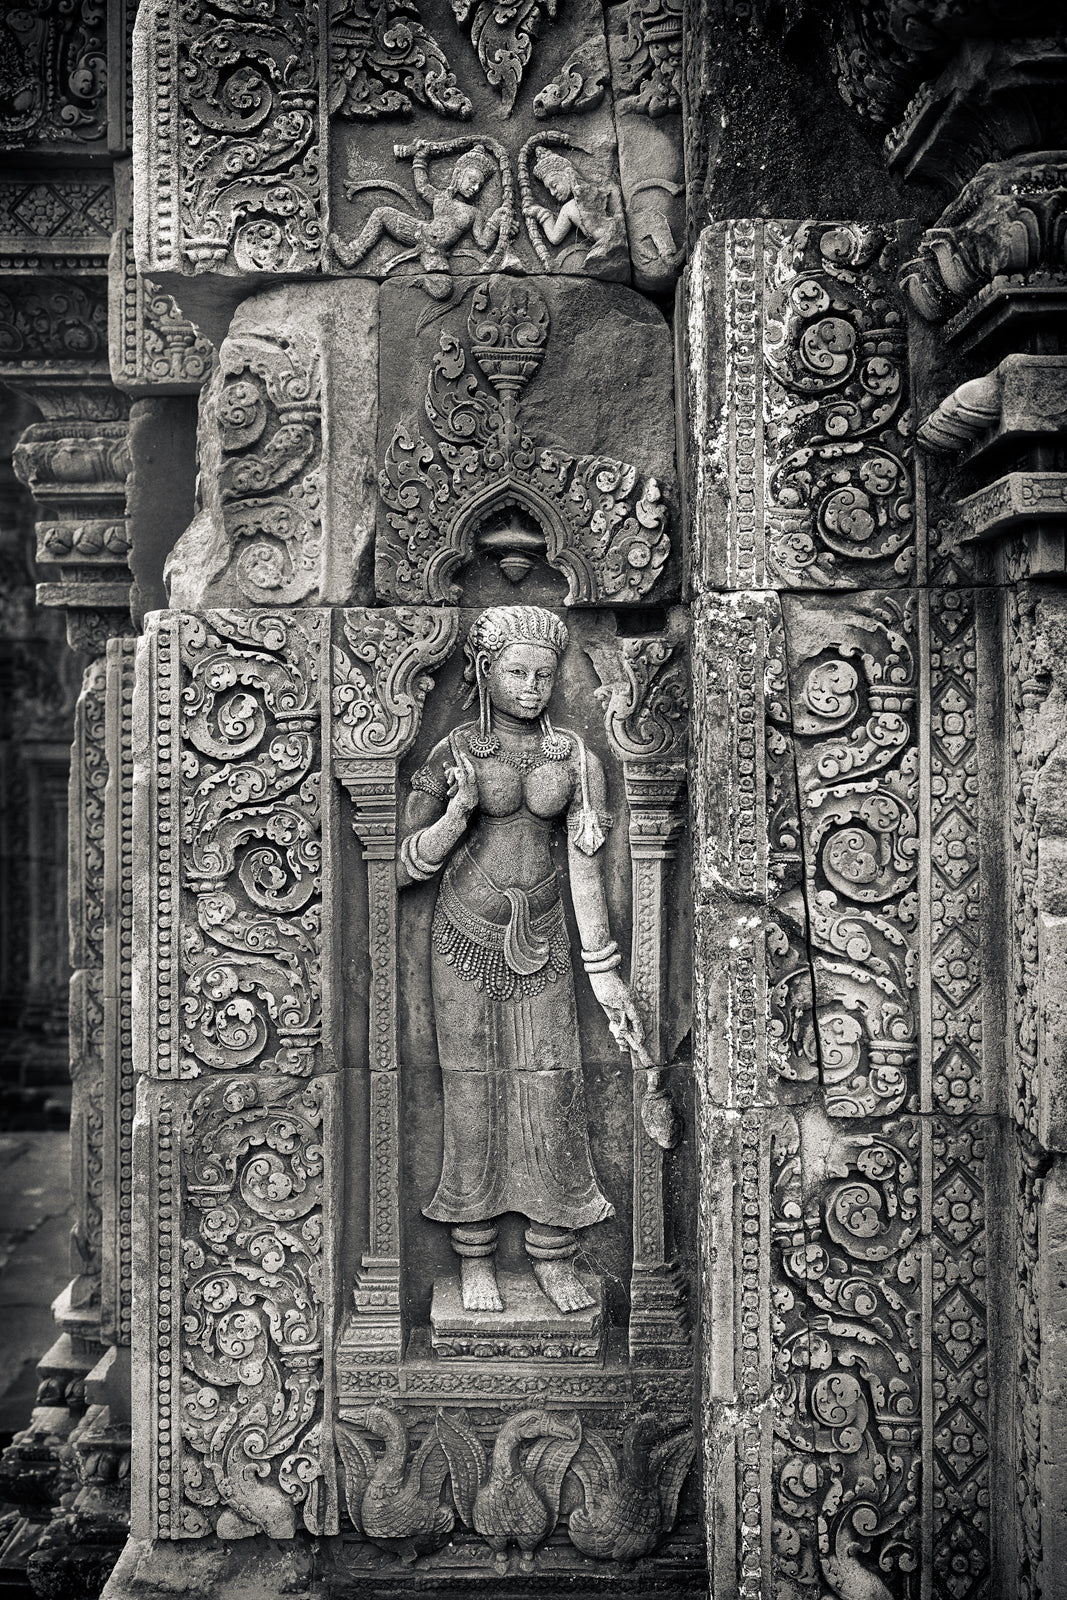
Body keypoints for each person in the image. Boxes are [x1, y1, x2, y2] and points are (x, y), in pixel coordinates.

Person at [397, 605, 644, 1315]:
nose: (532, 687)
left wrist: (604, 972)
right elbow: (399, 868)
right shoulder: (454, 753)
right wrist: (453, 817)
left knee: (551, 1089)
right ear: (482, 671)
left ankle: (552, 1252)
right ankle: (472, 1253)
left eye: (543, 674)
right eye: (516, 672)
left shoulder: (574, 758)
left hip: (544, 942)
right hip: (462, 940)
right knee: (471, 1089)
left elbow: (585, 871)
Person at [331, 143, 508, 277]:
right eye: (471, 180)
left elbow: (484, 243)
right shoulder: (442, 198)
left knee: (441, 283)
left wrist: (497, 219)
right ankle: (352, 255)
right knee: (382, 213)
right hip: (417, 231)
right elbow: (422, 187)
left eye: (479, 184)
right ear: (459, 175)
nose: (475, 187)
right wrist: (420, 159)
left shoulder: (473, 213)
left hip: (437, 252)